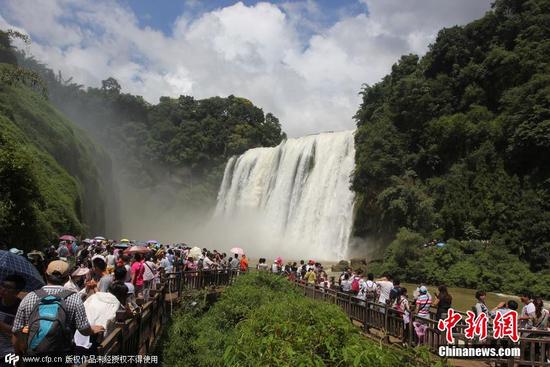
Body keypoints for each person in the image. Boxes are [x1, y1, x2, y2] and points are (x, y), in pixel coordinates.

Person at [12, 260, 104, 356]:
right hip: (61, 355)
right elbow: (83, 330)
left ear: (45, 275)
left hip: (34, 355)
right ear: (66, 278)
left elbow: (16, 330)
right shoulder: (74, 298)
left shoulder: (30, 297)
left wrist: (18, 355)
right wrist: (92, 330)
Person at [0, 275, 25, 357]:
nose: (3, 289)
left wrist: (2, 325)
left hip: (9, 352)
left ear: (17, 291)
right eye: (3, 285)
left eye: (8, 287)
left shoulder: (21, 307)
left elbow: (20, 332)